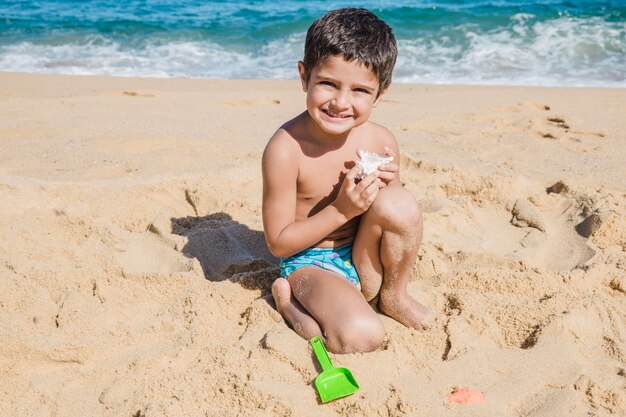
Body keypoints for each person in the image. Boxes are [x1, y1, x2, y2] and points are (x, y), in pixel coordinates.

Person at [262, 8, 433, 354]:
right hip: (310, 264)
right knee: (363, 336)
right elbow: (279, 244)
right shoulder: (286, 149)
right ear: (303, 76)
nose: (341, 103)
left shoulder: (380, 141)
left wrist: (384, 190)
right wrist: (341, 210)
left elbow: (394, 218)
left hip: (362, 256)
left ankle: (394, 296)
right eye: (328, 83)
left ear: (380, 94)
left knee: (401, 202)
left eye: (359, 90)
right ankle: (289, 306)